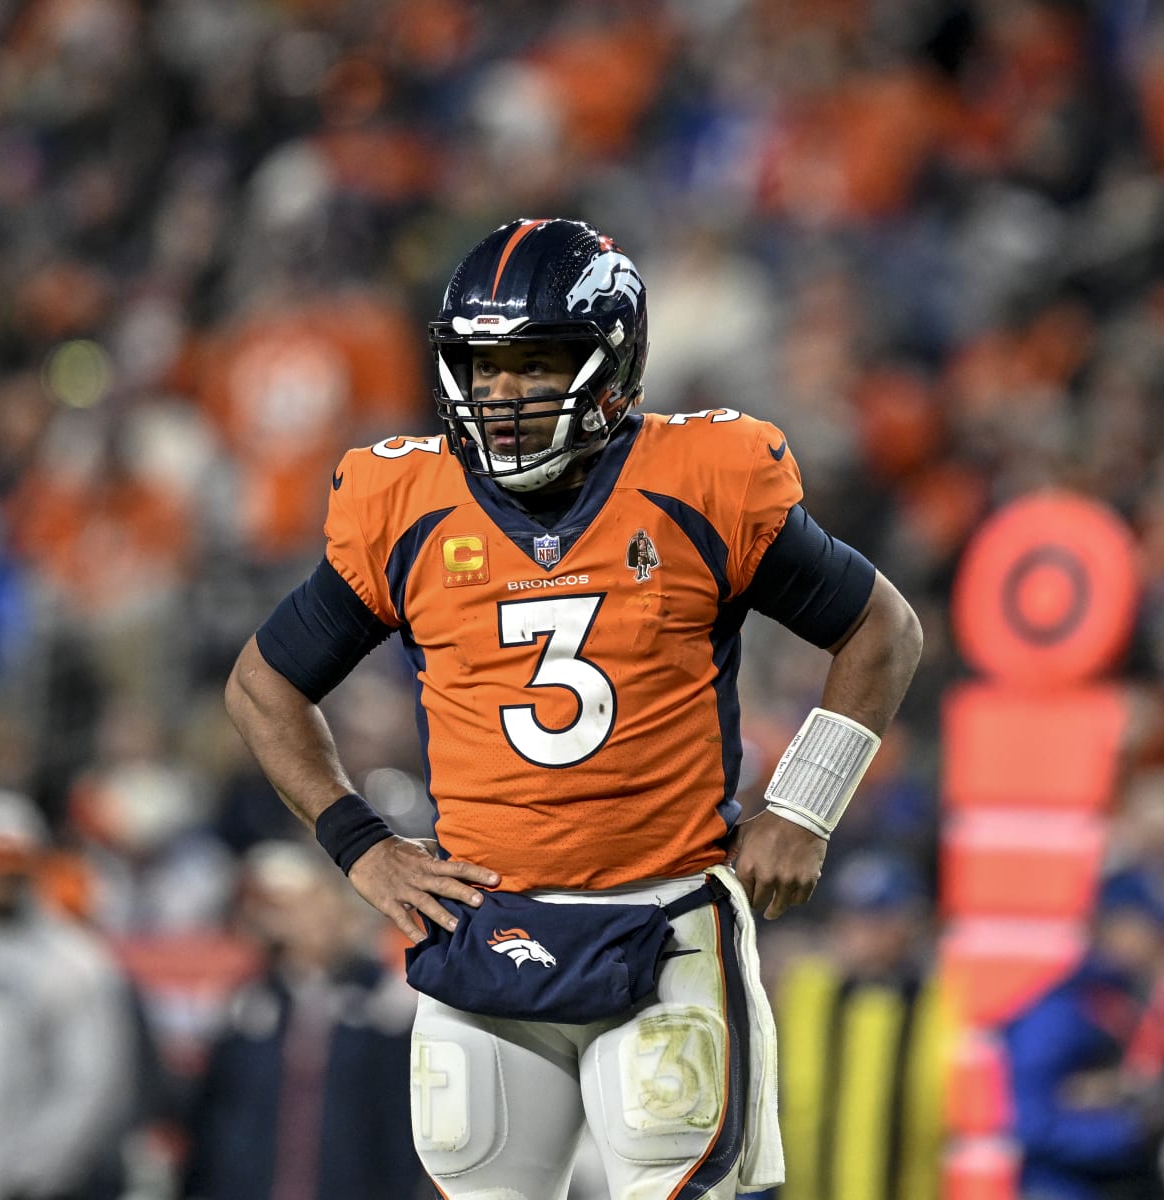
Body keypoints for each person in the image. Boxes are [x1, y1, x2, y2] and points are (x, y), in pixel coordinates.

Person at [224, 218, 923, 1200]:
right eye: (482, 366)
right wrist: (361, 844)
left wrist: (806, 807)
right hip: (482, 926)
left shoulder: (700, 481)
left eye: (535, 364)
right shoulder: (407, 502)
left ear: (612, 361)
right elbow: (263, 684)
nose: (502, 395)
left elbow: (883, 630)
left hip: (663, 916)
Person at [0, 789, 136, 1200]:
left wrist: (30, 1171)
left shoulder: (76, 963)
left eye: (15, 860)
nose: (2, 874)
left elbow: (92, 1083)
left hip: (28, 1186)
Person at [182, 841, 427, 1200]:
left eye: (327, 910)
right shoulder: (247, 1006)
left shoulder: (386, 1009)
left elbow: (398, 1123)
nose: (314, 923)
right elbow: (215, 1115)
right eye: (303, 910)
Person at [1003, 866, 1164, 1200]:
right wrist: (1127, 1131)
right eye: (1151, 928)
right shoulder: (1062, 1010)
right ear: (1112, 927)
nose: (1162, 941)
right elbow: (1028, 1121)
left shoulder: (1119, 1001)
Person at [776, 851, 947, 1200]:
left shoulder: (939, 1001)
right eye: (850, 920)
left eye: (878, 921)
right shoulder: (806, 993)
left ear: (912, 924)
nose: (861, 934)